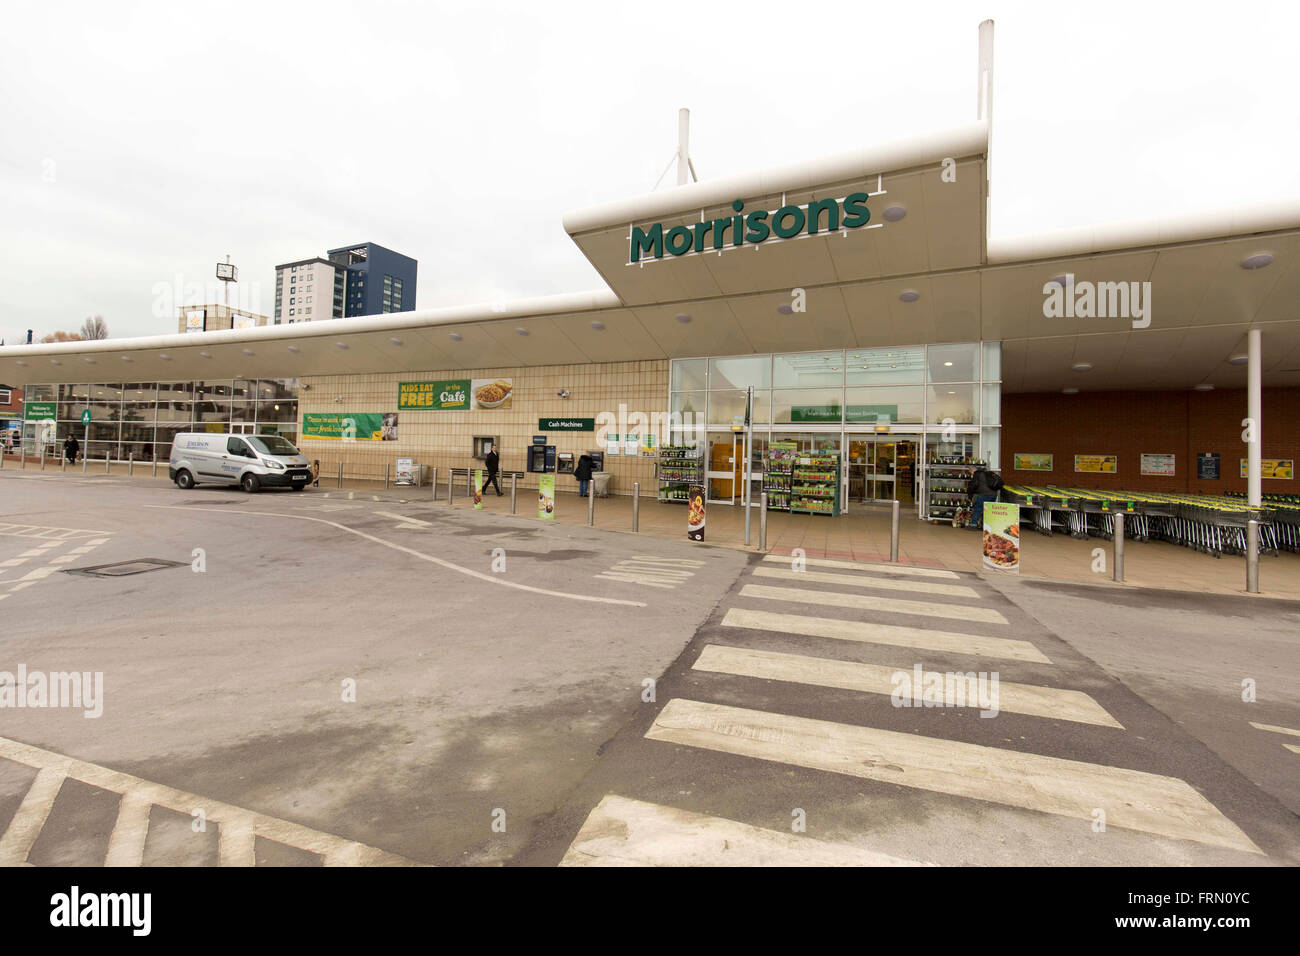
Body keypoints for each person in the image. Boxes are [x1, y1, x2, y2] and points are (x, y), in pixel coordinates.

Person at [966, 464, 1003, 530]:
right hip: (994, 495)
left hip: (983, 494)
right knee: (987, 511)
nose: (970, 473)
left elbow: (972, 486)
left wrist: (970, 496)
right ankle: (984, 526)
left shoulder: (977, 474)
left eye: (970, 472)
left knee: (978, 509)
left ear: (972, 470)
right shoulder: (988, 473)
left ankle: (973, 525)